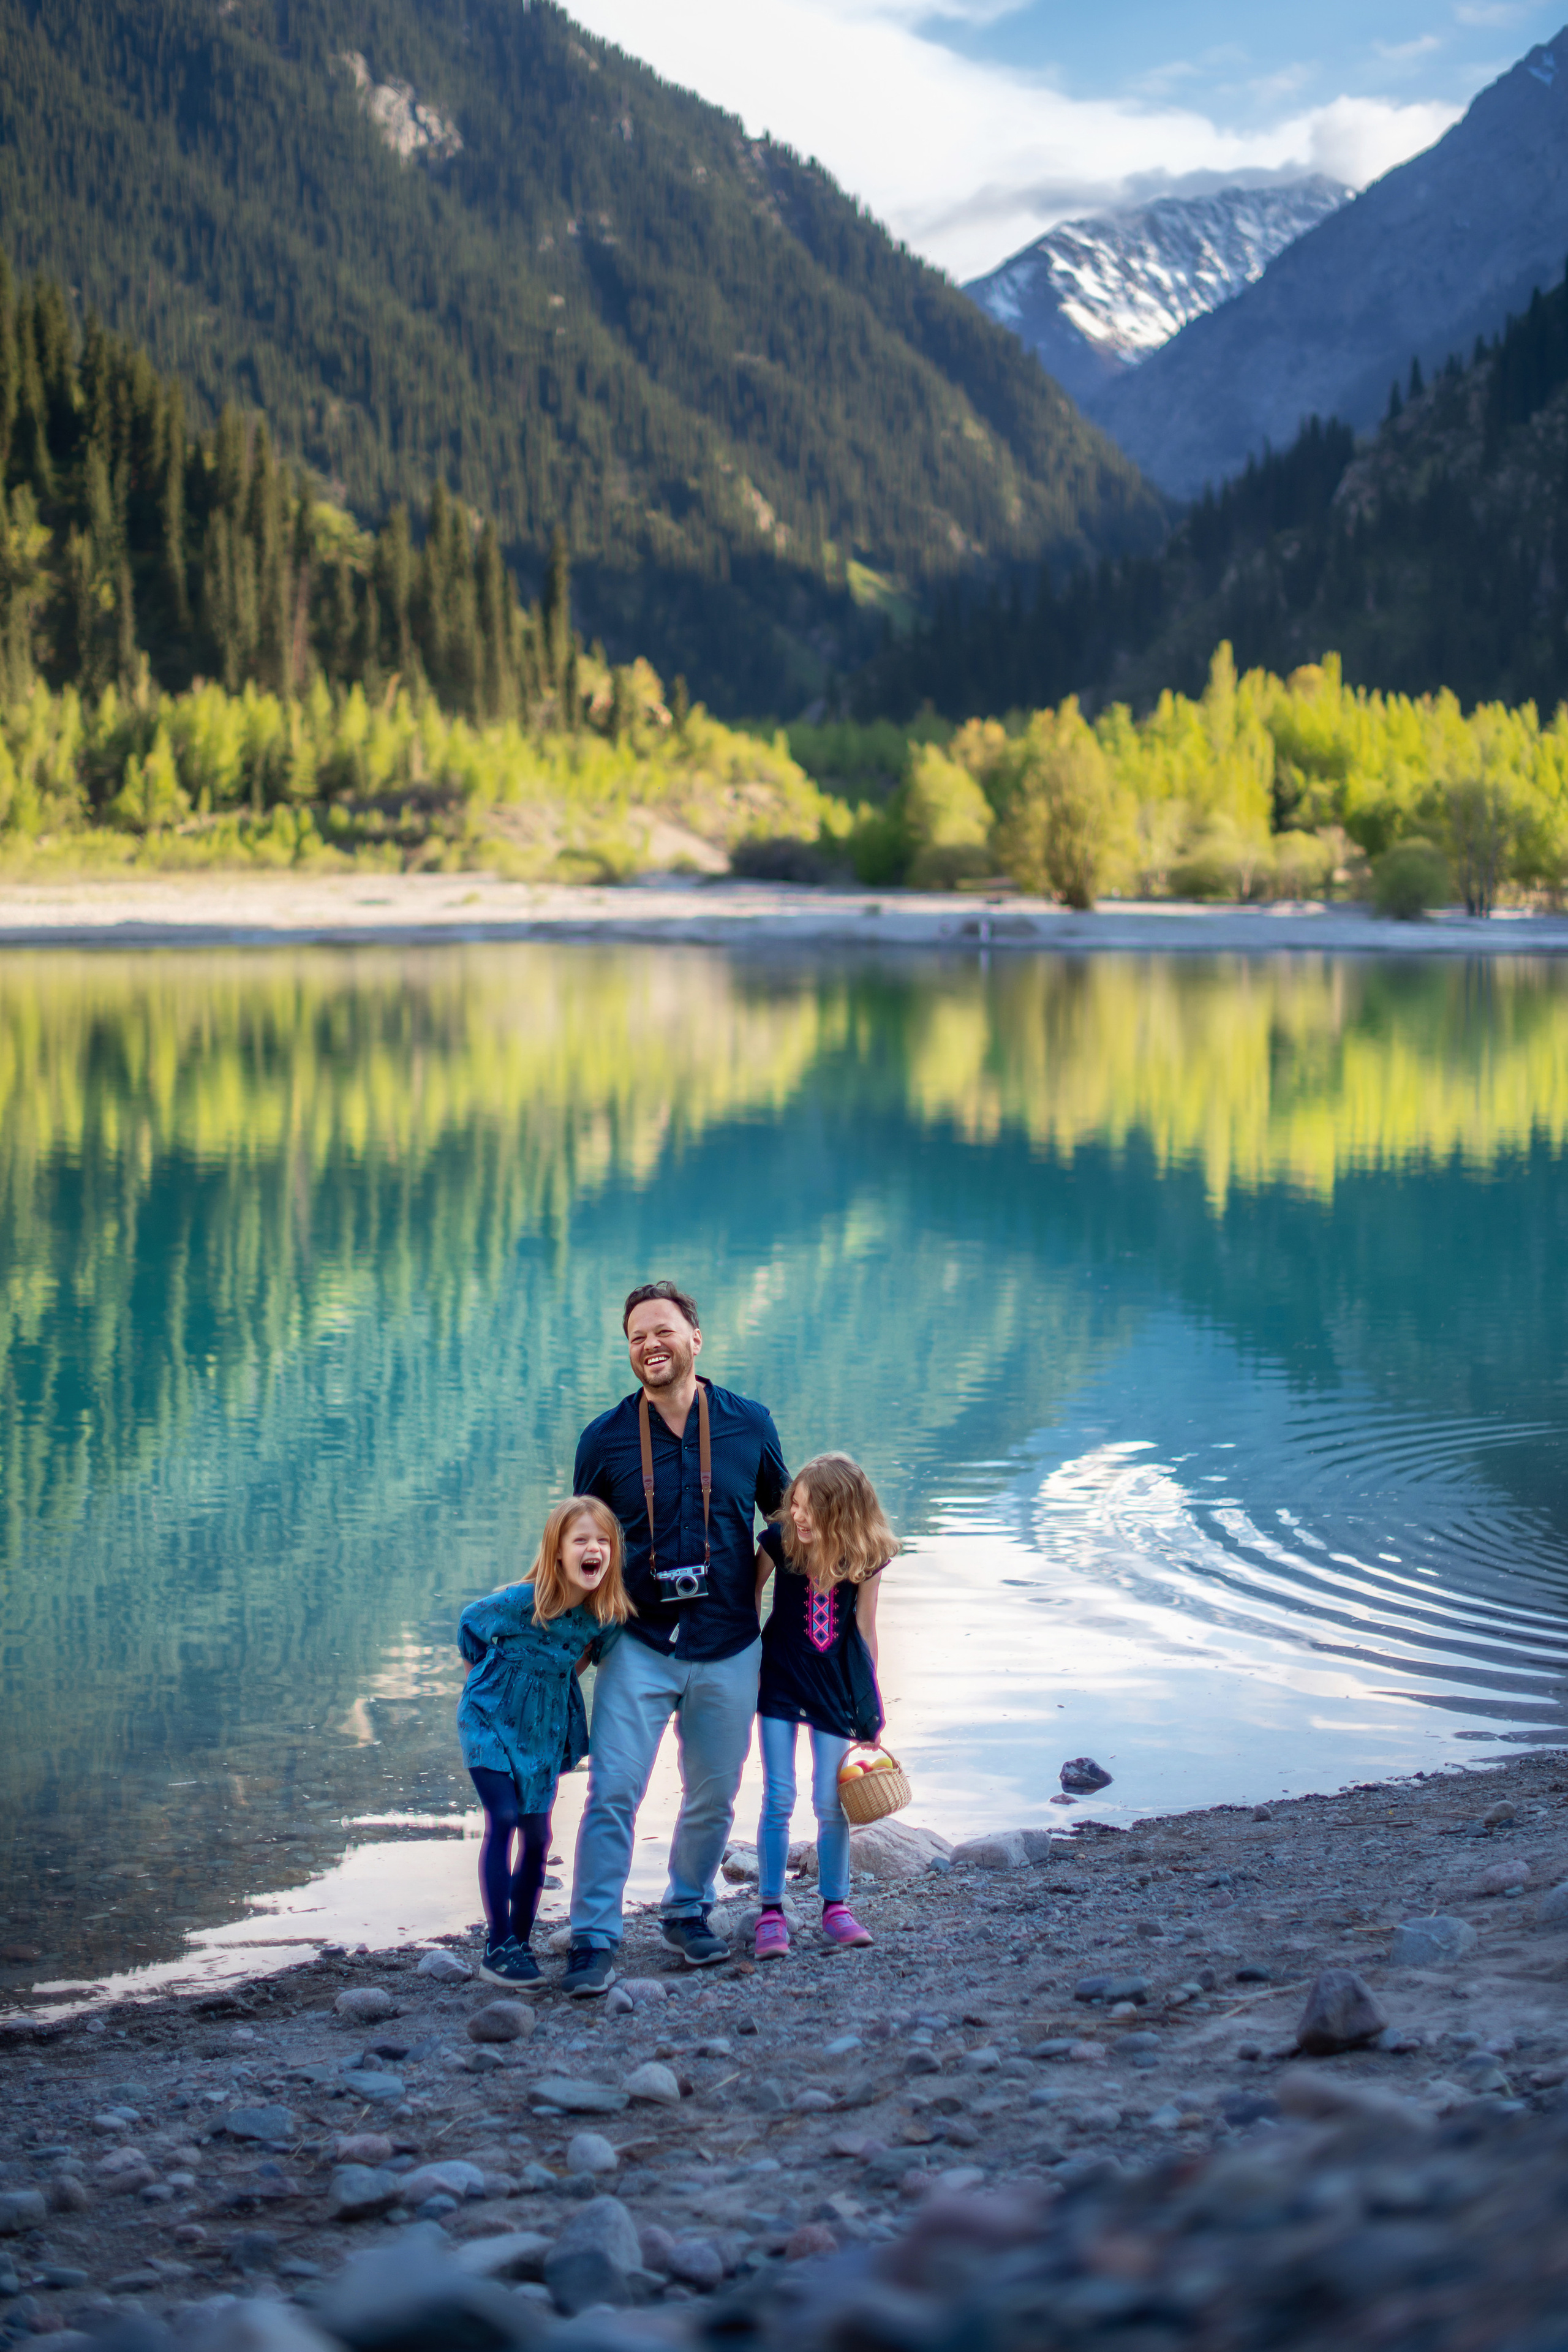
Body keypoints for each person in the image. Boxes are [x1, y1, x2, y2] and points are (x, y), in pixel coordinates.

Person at [564, 1280, 789, 1996]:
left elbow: (785, 1521)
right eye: (636, 1337)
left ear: (696, 1338)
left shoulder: (749, 1424)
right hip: (637, 1642)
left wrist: (756, 1586)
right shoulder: (603, 1439)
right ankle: (594, 1935)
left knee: (714, 1796)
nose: (649, 1346)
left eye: (662, 1331)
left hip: (731, 1642)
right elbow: (581, 1542)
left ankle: (687, 1910)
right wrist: (572, 1637)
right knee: (612, 1792)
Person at [456, 1496, 632, 1988]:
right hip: (488, 1719)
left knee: (537, 1838)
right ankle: (497, 1945)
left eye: (603, 1541)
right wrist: (482, 1681)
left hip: (543, 1732)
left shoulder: (603, 1617)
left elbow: (584, 1659)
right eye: (581, 1540)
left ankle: (520, 1943)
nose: (594, 1548)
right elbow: (470, 1623)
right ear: (557, 1550)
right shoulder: (522, 1601)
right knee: (503, 1818)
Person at [753, 1453, 895, 1959]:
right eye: (794, 1503)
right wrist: (740, 1673)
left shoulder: (866, 1556)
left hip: (834, 1688)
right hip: (779, 1682)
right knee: (778, 1795)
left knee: (831, 1800)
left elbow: (865, 1631)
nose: (796, 1515)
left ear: (841, 1511)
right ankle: (770, 1913)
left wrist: (869, 1704)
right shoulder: (778, 1542)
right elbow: (748, 1602)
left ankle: (836, 1907)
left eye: (808, 1507)